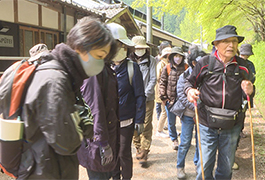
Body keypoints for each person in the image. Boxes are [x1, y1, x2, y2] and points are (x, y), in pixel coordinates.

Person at [18, 17, 115, 179]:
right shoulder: (55, 80)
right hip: (44, 171)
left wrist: (77, 120)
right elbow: (67, 143)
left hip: (50, 167)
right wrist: (82, 123)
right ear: (80, 47)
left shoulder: (65, 75)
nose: (100, 63)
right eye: (99, 56)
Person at [185, 25, 254, 180]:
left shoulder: (243, 66)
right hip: (206, 123)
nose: (231, 45)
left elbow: (248, 92)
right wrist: (190, 91)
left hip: (232, 124)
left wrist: (250, 89)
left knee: (226, 168)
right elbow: (189, 83)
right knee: (205, 166)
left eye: (234, 41)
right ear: (216, 44)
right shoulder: (204, 63)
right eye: (226, 41)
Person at [107, 23, 146, 180]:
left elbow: (140, 95)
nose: (121, 49)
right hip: (109, 120)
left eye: (123, 46)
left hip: (126, 119)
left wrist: (140, 119)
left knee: (123, 152)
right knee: (113, 152)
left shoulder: (132, 68)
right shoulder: (104, 68)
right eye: (118, 45)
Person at [77, 44, 119, 179]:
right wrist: (102, 143)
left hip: (106, 137)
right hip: (97, 143)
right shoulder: (93, 73)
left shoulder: (103, 68)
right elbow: (95, 110)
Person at [174, 49, 207, 179]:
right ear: (193, 62)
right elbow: (182, 96)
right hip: (188, 115)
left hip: (202, 116)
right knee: (185, 142)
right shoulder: (184, 76)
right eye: (198, 61)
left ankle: (198, 165)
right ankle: (180, 167)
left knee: (200, 142)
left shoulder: (206, 75)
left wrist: (201, 107)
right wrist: (195, 106)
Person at [129, 35, 156, 164]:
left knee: (146, 124)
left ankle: (145, 150)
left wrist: (144, 94)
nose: (139, 50)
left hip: (148, 98)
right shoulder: (129, 62)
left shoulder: (151, 60)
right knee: (134, 124)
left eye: (141, 48)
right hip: (132, 99)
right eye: (137, 48)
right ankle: (138, 147)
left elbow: (153, 79)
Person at [159, 46, 186, 150]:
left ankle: (184, 139)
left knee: (185, 121)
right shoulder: (167, 68)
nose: (178, 58)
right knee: (171, 122)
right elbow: (162, 83)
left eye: (180, 56)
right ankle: (174, 139)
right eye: (176, 56)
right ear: (172, 57)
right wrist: (164, 98)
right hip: (170, 100)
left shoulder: (186, 67)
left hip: (183, 101)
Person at [155, 46, 172, 137]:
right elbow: (158, 77)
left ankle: (166, 129)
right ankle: (159, 130)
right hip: (161, 91)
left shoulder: (167, 63)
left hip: (166, 90)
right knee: (164, 111)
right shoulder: (161, 64)